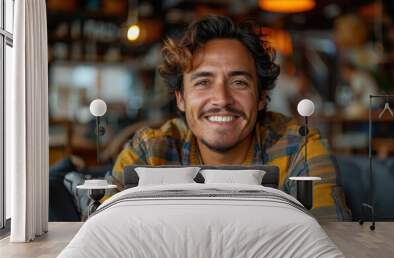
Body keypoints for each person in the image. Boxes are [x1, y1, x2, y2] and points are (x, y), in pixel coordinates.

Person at [112, 15, 350, 220]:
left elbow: (331, 231)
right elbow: (100, 229)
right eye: (203, 82)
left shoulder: (300, 148)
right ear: (181, 98)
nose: (222, 99)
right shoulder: (149, 151)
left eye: (239, 82)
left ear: (260, 96)